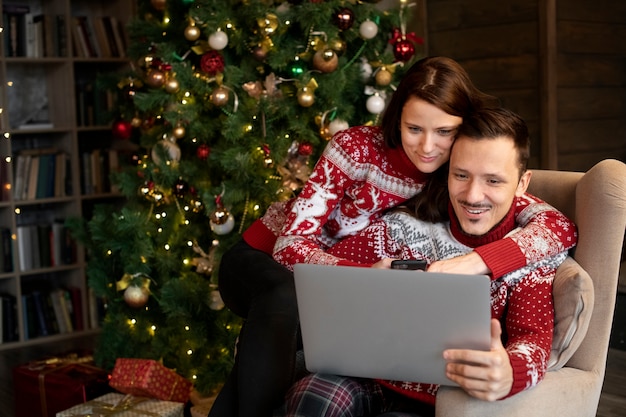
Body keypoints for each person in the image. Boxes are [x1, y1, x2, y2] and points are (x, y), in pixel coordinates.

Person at [209, 57, 577, 417]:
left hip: (340, 294)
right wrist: (368, 274)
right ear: (396, 118)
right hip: (273, 256)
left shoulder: (460, 173)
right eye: (414, 128)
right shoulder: (359, 154)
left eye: (444, 132)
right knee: (284, 311)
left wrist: (478, 262)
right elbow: (290, 247)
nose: (428, 147)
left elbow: (558, 227)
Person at [275, 107, 570, 417]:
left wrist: (510, 373)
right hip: (367, 378)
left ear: (523, 183)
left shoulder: (532, 254)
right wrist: (367, 276)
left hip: (442, 399)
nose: (472, 195)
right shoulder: (403, 229)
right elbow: (319, 274)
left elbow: (532, 340)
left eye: (493, 181)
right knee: (312, 395)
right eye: (461, 175)